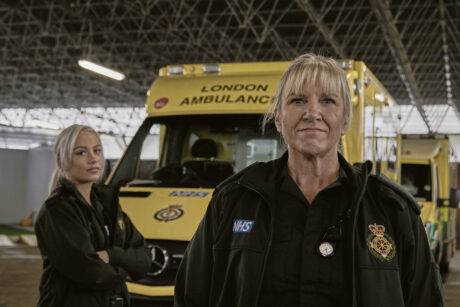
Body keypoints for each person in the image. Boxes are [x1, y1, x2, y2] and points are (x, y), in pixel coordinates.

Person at [174, 54, 445, 306]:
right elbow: (190, 296)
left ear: (345, 119)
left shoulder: (392, 210)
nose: (312, 112)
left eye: (327, 101)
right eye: (297, 101)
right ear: (279, 118)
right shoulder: (232, 201)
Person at [35, 125, 152, 307]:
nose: (93, 159)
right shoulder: (57, 211)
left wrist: (112, 255)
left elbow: (145, 259)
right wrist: (127, 269)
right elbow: (91, 273)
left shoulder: (108, 205)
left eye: (97, 151)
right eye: (81, 153)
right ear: (61, 162)